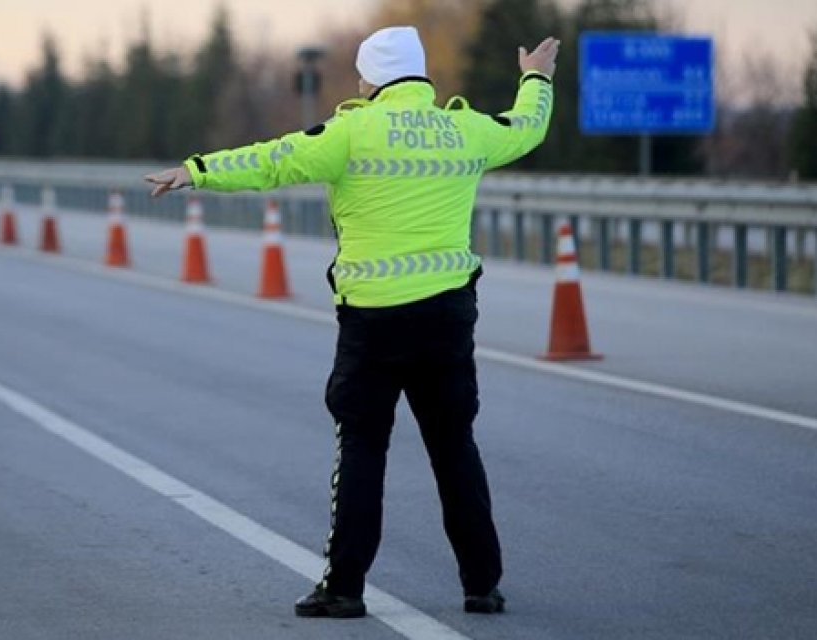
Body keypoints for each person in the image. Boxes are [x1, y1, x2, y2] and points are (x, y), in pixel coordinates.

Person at [146, 26, 558, 619]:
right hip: (447, 315)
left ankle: (344, 588)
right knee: (453, 446)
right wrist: (535, 79)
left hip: (374, 321)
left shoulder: (351, 130)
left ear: (372, 79)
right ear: (418, 75)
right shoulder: (463, 128)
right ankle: (481, 584)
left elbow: (274, 160)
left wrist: (197, 171)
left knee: (364, 447)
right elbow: (527, 129)